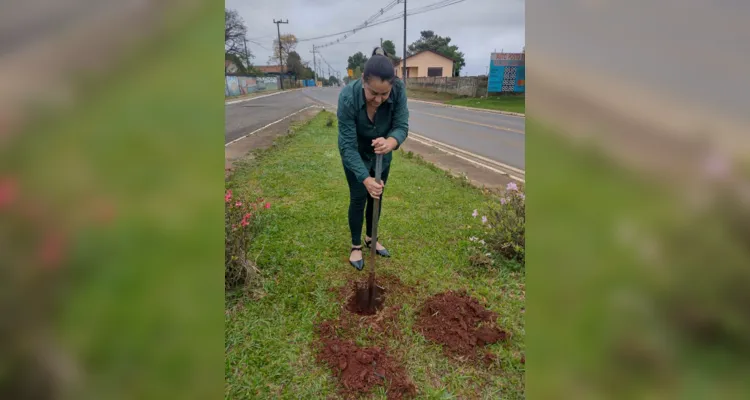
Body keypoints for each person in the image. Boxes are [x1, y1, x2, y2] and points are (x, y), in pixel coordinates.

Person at [337, 47, 409, 271]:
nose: (378, 99)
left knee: (377, 196)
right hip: (355, 154)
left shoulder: (398, 90)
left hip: (382, 156)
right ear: (363, 81)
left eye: (384, 94)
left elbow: (401, 126)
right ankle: (356, 245)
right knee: (359, 196)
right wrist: (364, 178)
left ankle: (371, 237)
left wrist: (391, 142)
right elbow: (347, 145)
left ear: (392, 85)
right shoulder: (348, 97)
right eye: (373, 93)